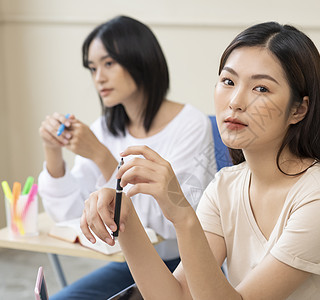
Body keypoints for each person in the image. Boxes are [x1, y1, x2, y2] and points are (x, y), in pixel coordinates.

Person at [81, 21, 320, 299]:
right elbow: (177, 296)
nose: (235, 101)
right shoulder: (226, 186)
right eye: (228, 81)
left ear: (298, 110)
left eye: (261, 88)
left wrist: (182, 214)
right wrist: (126, 219)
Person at [38, 16, 216, 299]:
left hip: (180, 264)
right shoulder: (105, 128)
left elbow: (168, 224)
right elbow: (70, 214)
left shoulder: (191, 124)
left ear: (141, 59)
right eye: (93, 68)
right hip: (127, 262)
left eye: (109, 64)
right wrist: (53, 150)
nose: (99, 78)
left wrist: (101, 156)